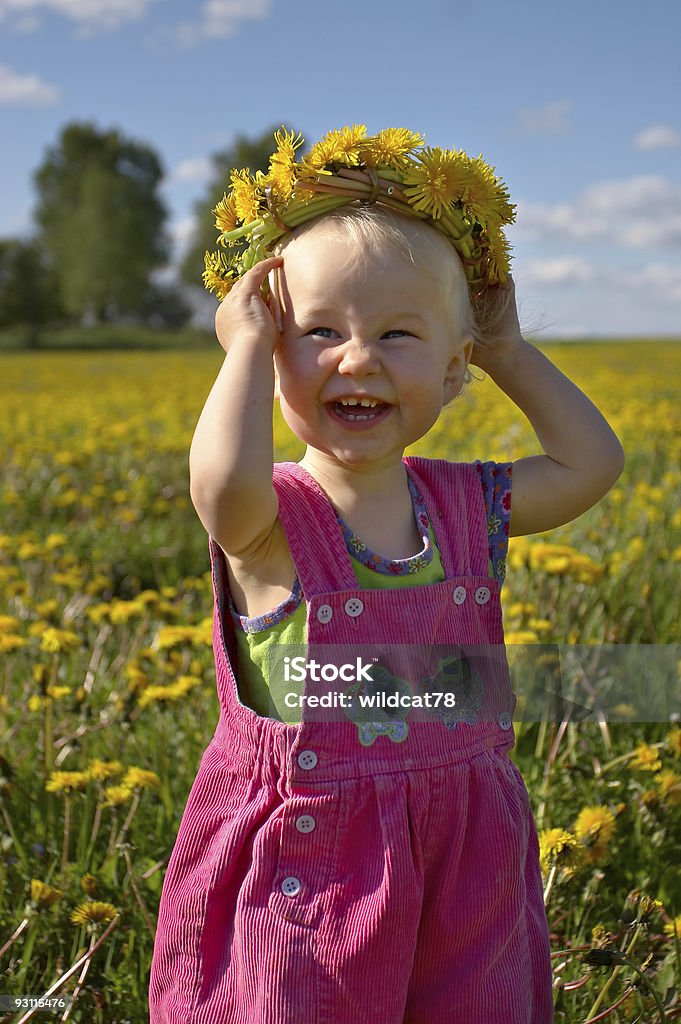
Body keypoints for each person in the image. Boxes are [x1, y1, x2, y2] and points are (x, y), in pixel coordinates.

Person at [148, 126, 624, 1024]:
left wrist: (506, 348)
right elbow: (218, 484)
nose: (356, 357)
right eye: (317, 331)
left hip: (468, 851)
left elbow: (589, 462)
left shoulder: (462, 506)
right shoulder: (272, 522)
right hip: (318, 865)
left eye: (397, 335)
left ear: (452, 373)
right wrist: (242, 348)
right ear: (275, 354)